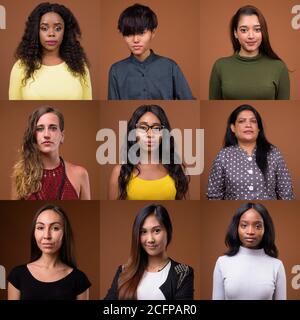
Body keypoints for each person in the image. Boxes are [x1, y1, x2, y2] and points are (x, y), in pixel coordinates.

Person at [104, 204, 194, 300]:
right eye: (143, 232)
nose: (150, 239)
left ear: (168, 231)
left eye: (156, 231)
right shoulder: (124, 271)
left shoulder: (182, 272)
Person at [206, 104, 294, 200]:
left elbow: (286, 194)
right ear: (233, 128)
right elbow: (213, 196)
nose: (248, 125)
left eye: (253, 121)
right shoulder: (223, 156)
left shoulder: (273, 153)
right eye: (241, 121)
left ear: (259, 128)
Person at [108, 3, 194, 100]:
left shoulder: (170, 67)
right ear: (122, 35)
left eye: (141, 33)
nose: (135, 40)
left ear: (153, 32)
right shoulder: (116, 71)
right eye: (129, 34)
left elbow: (188, 100)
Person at [9, 2, 92, 100]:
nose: (51, 33)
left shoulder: (80, 65)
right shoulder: (21, 67)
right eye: (44, 28)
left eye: (58, 28)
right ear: (36, 31)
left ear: (65, 32)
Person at [7, 204, 91, 300]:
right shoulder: (17, 275)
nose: (46, 236)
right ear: (34, 232)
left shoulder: (79, 279)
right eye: (40, 228)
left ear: (65, 233)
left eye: (55, 228)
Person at [108, 104, 190, 200]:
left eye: (156, 128)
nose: (150, 134)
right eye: (143, 128)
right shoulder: (119, 172)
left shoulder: (176, 168)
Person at [209, 5, 289, 100]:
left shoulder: (279, 67)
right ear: (235, 33)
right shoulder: (220, 66)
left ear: (263, 32)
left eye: (257, 29)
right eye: (244, 30)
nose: (251, 36)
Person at [12, 106, 91, 200]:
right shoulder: (21, 175)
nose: (46, 135)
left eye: (53, 128)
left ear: (62, 136)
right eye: (40, 129)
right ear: (33, 135)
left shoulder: (80, 174)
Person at [212, 202, 286, 300]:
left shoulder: (276, 265)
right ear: (236, 227)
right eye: (244, 225)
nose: (250, 232)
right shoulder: (222, 262)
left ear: (265, 229)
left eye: (258, 226)